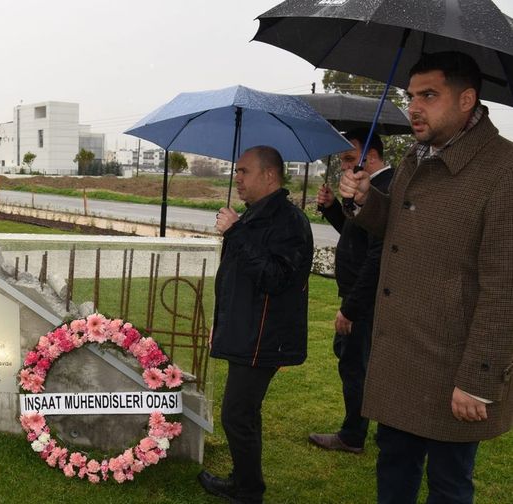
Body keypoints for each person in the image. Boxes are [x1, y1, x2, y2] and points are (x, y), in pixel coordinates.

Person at [340, 51, 513, 504]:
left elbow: (504, 287)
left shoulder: (503, 170)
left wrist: (479, 378)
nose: (414, 107)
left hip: (452, 365)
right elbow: (398, 228)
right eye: (411, 95)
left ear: (466, 100)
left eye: (429, 95)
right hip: (401, 357)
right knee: (393, 469)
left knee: (449, 486)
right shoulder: (418, 157)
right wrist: (364, 200)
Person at [198, 146, 313, 504]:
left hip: (264, 337)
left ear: (269, 176)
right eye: (237, 171)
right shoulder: (255, 216)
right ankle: (243, 480)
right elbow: (236, 281)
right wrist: (223, 324)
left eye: (244, 171)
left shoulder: (288, 222)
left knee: (236, 414)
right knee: (244, 412)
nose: (238, 178)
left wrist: (235, 233)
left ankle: (248, 491)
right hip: (246, 330)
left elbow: (276, 278)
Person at [309, 129, 393, 454]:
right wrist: (333, 208)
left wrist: (351, 309)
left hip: (366, 299)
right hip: (358, 294)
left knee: (356, 365)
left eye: (348, 159)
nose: (344, 166)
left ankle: (352, 435)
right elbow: (354, 233)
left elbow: (377, 257)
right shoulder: (368, 192)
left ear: (369, 157)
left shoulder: (384, 190)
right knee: (353, 359)